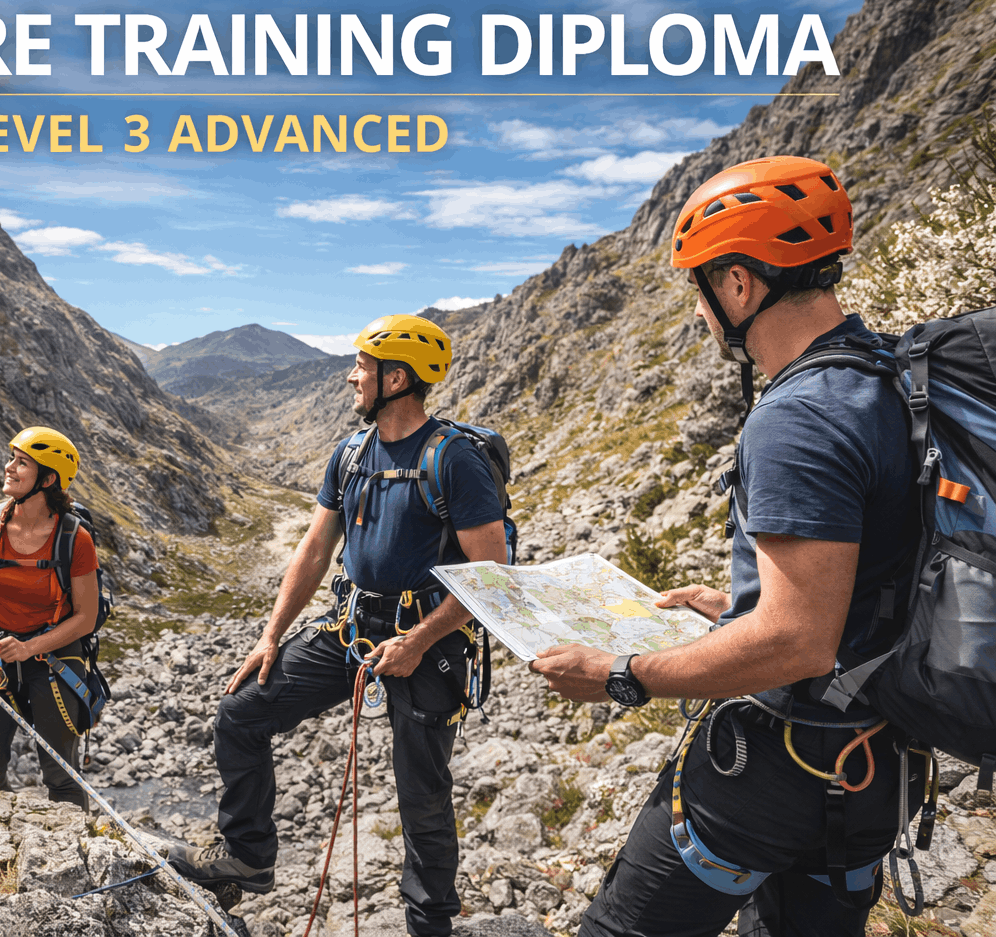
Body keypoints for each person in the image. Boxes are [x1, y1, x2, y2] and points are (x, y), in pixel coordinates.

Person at [530, 156, 928, 936]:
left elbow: (796, 642)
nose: (703, 311)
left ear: (739, 284)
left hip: (775, 765)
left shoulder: (799, 414)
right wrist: (736, 603)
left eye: (701, 287)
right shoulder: (887, 378)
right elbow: (880, 570)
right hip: (874, 768)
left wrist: (619, 675)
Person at [169, 314, 508, 937]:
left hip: (425, 641)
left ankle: (429, 924)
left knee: (421, 792)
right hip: (351, 627)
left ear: (397, 378)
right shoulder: (351, 453)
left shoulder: (453, 459)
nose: (352, 376)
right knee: (242, 712)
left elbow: (492, 573)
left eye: (364, 367)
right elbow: (314, 549)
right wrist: (271, 635)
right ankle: (246, 856)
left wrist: (420, 640)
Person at [0, 426, 99, 810]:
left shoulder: (74, 538)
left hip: (54, 656)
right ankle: (1, 853)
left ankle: (73, 854)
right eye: (11, 458)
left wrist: (30, 648)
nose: (8, 467)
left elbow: (86, 617)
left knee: (62, 775)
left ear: (47, 479)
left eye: (21, 462)